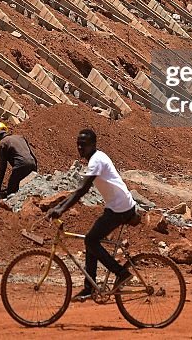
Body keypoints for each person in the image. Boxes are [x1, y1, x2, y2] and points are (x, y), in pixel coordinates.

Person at [48, 129, 135, 301]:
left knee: (90, 240)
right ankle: (90, 288)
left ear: (93, 145)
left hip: (120, 208)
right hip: (117, 206)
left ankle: (122, 273)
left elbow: (82, 190)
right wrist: (60, 206)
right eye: (78, 144)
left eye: (84, 144)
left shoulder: (96, 161)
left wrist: (60, 209)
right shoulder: (97, 157)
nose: (80, 147)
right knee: (91, 240)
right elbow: (79, 190)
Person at [0, 122, 38, 195]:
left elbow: (2, 168)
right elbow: (32, 155)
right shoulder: (20, 137)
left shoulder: (2, 144)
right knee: (26, 190)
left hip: (20, 167)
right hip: (33, 164)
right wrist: (35, 171)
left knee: (11, 192)